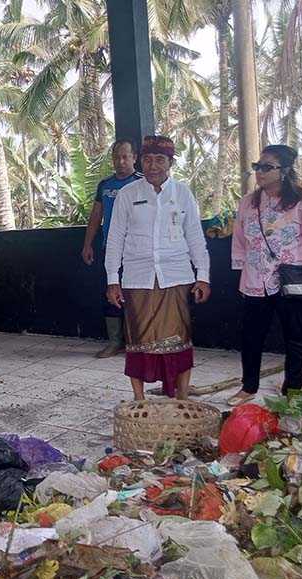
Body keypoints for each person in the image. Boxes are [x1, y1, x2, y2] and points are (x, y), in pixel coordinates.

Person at [229, 144, 302, 405]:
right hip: (256, 281)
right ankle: (248, 387)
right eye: (258, 166)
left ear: (284, 171)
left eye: (267, 167)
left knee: (295, 338)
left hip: (293, 281)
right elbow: (240, 241)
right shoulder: (248, 202)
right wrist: (243, 274)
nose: (260, 172)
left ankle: (293, 392)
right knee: (251, 336)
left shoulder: (301, 201)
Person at [104, 135, 211, 401]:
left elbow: (195, 237)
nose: (153, 166)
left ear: (171, 163)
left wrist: (203, 276)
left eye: (159, 160)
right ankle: (139, 400)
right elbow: (115, 237)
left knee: (180, 340)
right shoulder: (128, 194)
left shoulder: (183, 193)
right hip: (137, 279)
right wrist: (112, 280)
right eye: (148, 159)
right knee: (138, 340)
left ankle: (182, 398)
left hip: (176, 277)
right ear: (141, 161)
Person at [82, 139, 142, 358]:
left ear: (134, 158)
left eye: (126, 156)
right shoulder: (105, 185)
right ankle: (115, 341)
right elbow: (96, 216)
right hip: (112, 250)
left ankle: (137, 342)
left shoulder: (142, 183)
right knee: (111, 294)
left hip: (137, 251)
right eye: (117, 157)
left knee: (137, 295)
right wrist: (88, 243)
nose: (121, 161)